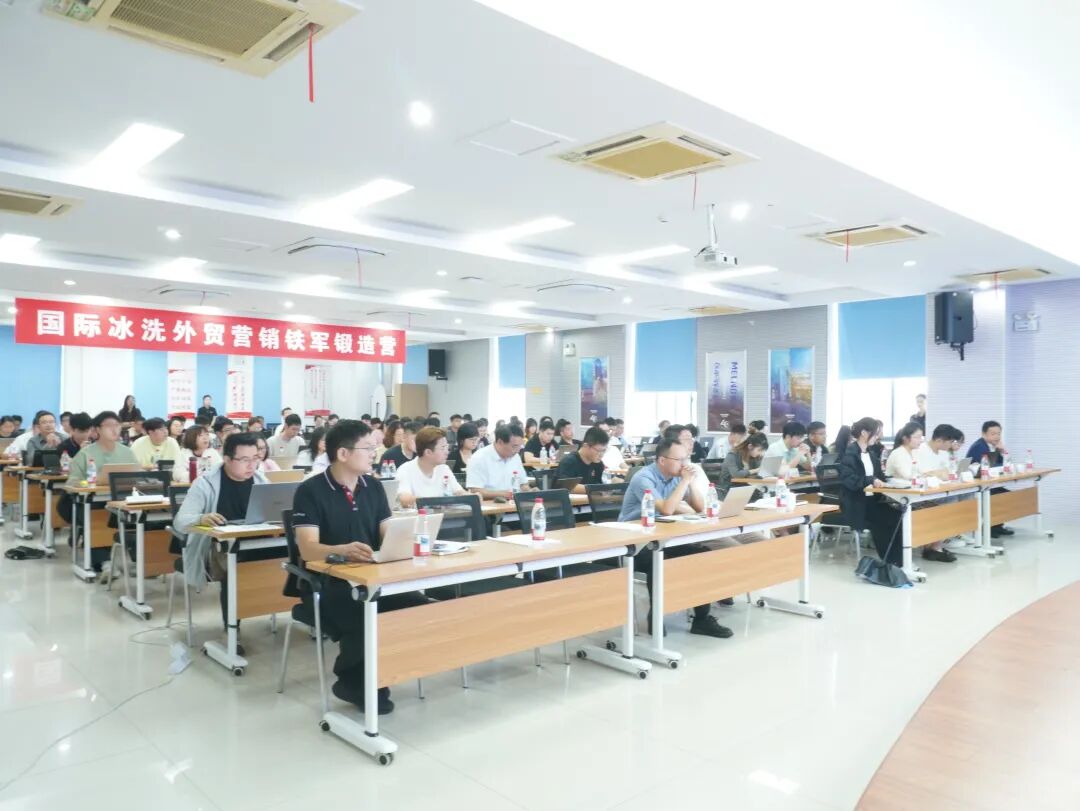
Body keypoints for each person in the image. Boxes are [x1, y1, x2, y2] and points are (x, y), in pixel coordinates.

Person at [291, 420, 429, 714]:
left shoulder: (373, 486)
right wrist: (342, 550)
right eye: (367, 448)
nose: (374, 454)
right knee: (366, 615)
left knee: (418, 606)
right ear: (343, 453)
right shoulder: (311, 490)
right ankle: (353, 682)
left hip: (371, 577)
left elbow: (386, 532)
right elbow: (307, 548)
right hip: (328, 583)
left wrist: (409, 539)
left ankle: (384, 672)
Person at [618, 437, 731, 639]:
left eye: (686, 459)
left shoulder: (677, 477)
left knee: (701, 554)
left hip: (661, 537)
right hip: (634, 543)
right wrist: (685, 480)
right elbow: (667, 509)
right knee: (658, 560)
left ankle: (702, 620)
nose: (684, 464)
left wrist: (691, 482)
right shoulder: (643, 478)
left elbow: (699, 508)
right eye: (680, 460)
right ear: (662, 460)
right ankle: (655, 616)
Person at [174, 432, 270, 653]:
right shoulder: (205, 483)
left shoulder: (261, 480)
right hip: (216, 549)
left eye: (255, 458)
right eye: (244, 460)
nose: (252, 465)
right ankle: (231, 629)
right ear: (226, 459)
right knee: (235, 567)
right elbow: (181, 520)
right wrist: (201, 518)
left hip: (255, 543)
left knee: (285, 559)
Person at [885, 422, 955, 563]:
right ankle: (931, 547)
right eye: (917, 437)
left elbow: (923, 472)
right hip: (896, 498)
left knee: (942, 508)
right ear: (906, 438)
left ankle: (933, 546)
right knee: (936, 509)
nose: (920, 440)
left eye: (921, 437)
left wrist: (928, 474)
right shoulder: (898, 453)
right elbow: (909, 476)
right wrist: (928, 475)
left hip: (912, 494)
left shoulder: (914, 453)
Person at [838, 417, 902, 566]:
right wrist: (871, 480)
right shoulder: (849, 454)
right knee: (884, 519)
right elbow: (850, 480)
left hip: (873, 500)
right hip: (857, 502)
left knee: (898, 515)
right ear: (864, 433)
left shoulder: (871, 454)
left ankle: (899, 559)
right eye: (875, 433)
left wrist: (892, 482)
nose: (877, 436)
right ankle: (891, 560)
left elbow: (879, 477)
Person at [395, 427, 467, 507]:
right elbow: (404, 499)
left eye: (447, 447)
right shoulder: (405, 470)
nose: (447, 452)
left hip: (444, 514)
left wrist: (472, 496)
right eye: (443, 448)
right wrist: (435, 502)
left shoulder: (444, 468)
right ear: (428, 452)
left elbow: (459, 492)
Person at [966, 420, 1013, 538]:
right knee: (998, 496)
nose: (997, 436)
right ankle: (989, 528)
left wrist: (1002, 451)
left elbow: (1003, 465)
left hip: (989, 484)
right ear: (984, 434)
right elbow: (986, 467)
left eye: (999, 433)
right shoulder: (979, 446)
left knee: (1006, 496)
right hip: (977, 487)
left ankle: (997, 526)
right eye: (993, 434)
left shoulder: (994, 446)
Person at [465, 423, 531, 499]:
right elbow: (475, 491)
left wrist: (529, 491)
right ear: (500, 442)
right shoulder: (479, 458)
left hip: (513, 503)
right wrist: (507, 494)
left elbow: (523, 484)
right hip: (489, 505)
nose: (518, 450)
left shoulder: (515, 456)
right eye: (514, 446)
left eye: (520, 446)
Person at [553, 425, 610, 493]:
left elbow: (600, 485)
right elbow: (568, 487)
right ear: (586, 446)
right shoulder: (569, 462)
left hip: (589, 499)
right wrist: (596, 489)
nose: (601, 454)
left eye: (604, 450)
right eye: (598, 451)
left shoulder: (598, 464)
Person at [717, 433, 769, 497]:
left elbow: (758, 472)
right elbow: (736, 474)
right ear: (750, 446)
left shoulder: (754, 457)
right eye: (759, 450)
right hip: (728, 489)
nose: (760, 453)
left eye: (762, 451)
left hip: (744, 486)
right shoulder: (732, 455)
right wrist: (756, 470)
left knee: (763, 493)